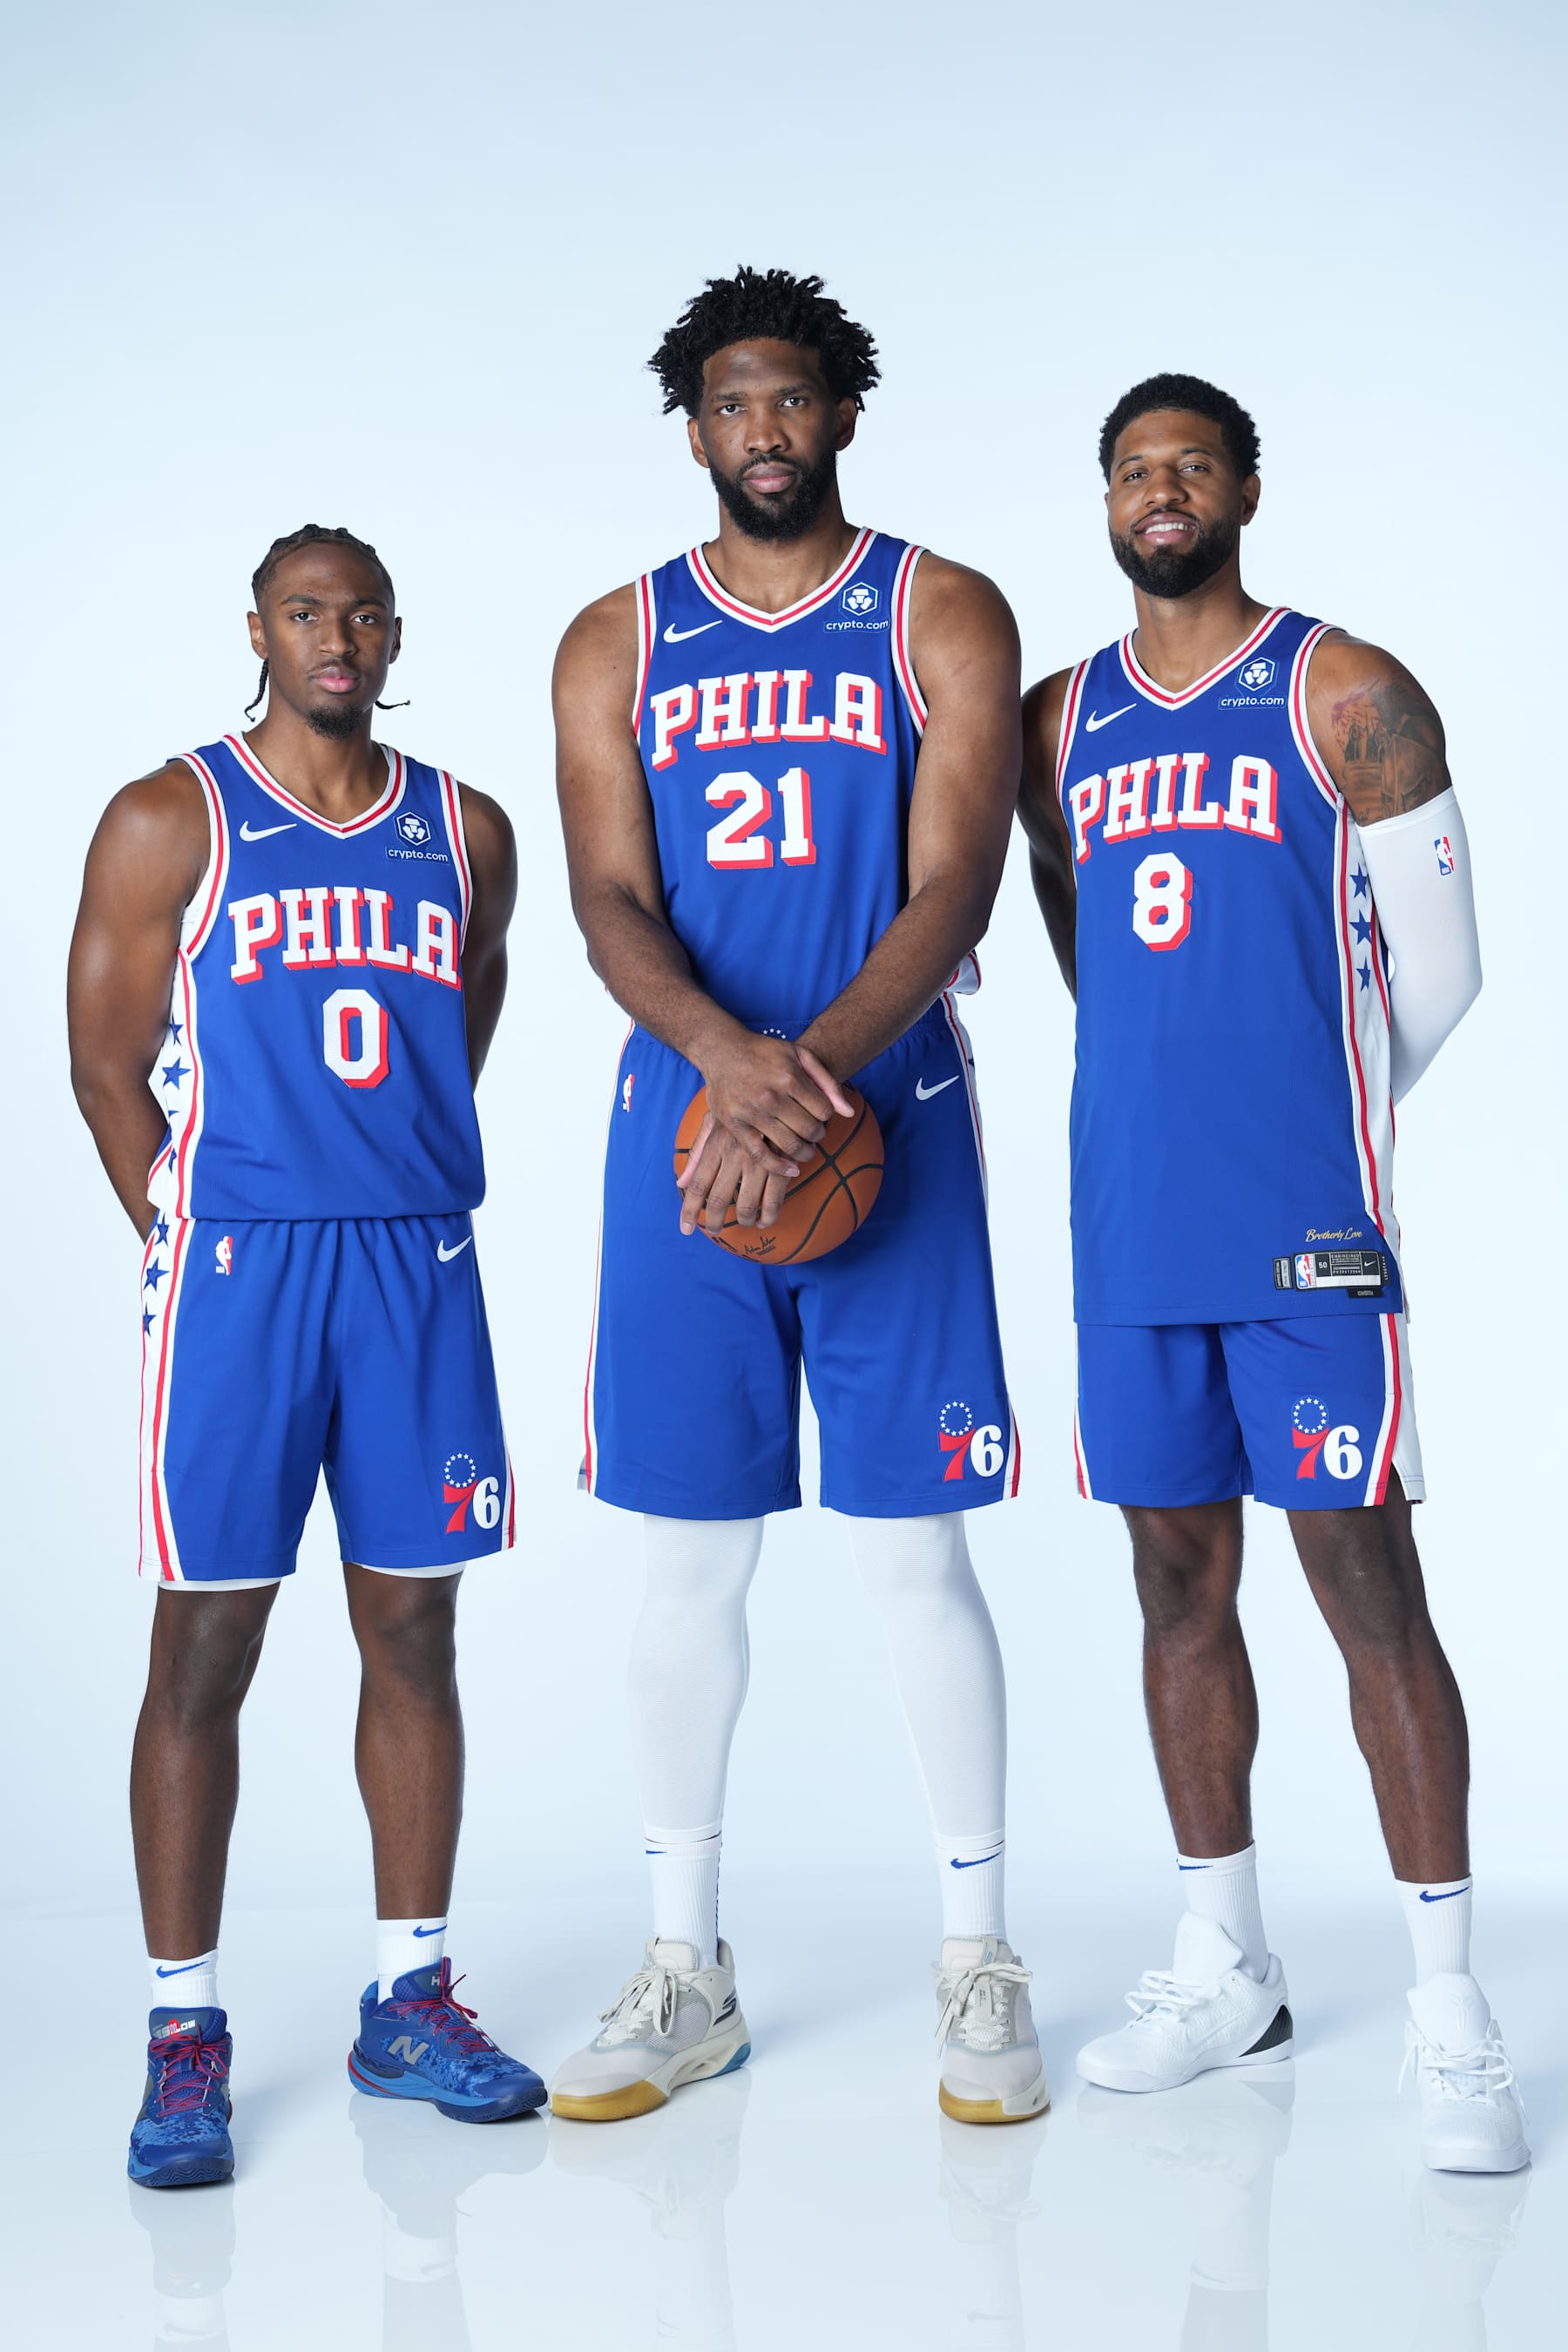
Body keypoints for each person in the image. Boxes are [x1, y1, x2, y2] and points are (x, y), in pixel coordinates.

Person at [1017, 374, 1526, 2173]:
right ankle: (1225, 1961)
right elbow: (1087, 947)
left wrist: (1317, 1115)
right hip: (1132, 1224)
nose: (1163, 491)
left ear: (1246, 486)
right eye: (1134, 469)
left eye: (1193, 464)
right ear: (1106, 499)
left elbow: (1443, 974)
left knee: (1367, 1582)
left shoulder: (1347, 690)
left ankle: (1451, 2007)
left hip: (1306, 1228)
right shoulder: (1054, 717)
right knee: (1173, 1583)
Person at [551, 267, 1042, 2126]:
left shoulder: (941, 610)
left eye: (794, 400)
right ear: (693, 425)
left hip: (880, 1113)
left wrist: (804, 1074)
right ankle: (688, 1964)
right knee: (687, 1555)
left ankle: (978, 1956)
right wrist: (731, 1070)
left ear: (843, 412)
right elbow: (609, 895)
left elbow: (955, 884)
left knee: (918, 1552)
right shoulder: (615, 638)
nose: (764, 432)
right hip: (683, 1135)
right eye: (732, 404)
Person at [68, 526, 544, 2188]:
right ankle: (182, 2027)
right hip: (240, 1271)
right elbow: (105, 1053)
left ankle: (411, 1995)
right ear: (257, 631)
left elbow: (463, 1014)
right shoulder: (167, 815)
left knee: (414, 1626)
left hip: (412, 1260)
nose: (333, 637)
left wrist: (384, 1156)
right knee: (207, 1645)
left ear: (392, 631)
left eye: (359, 612)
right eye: (301, 612)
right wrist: (184, 1225)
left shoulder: (463, 828)